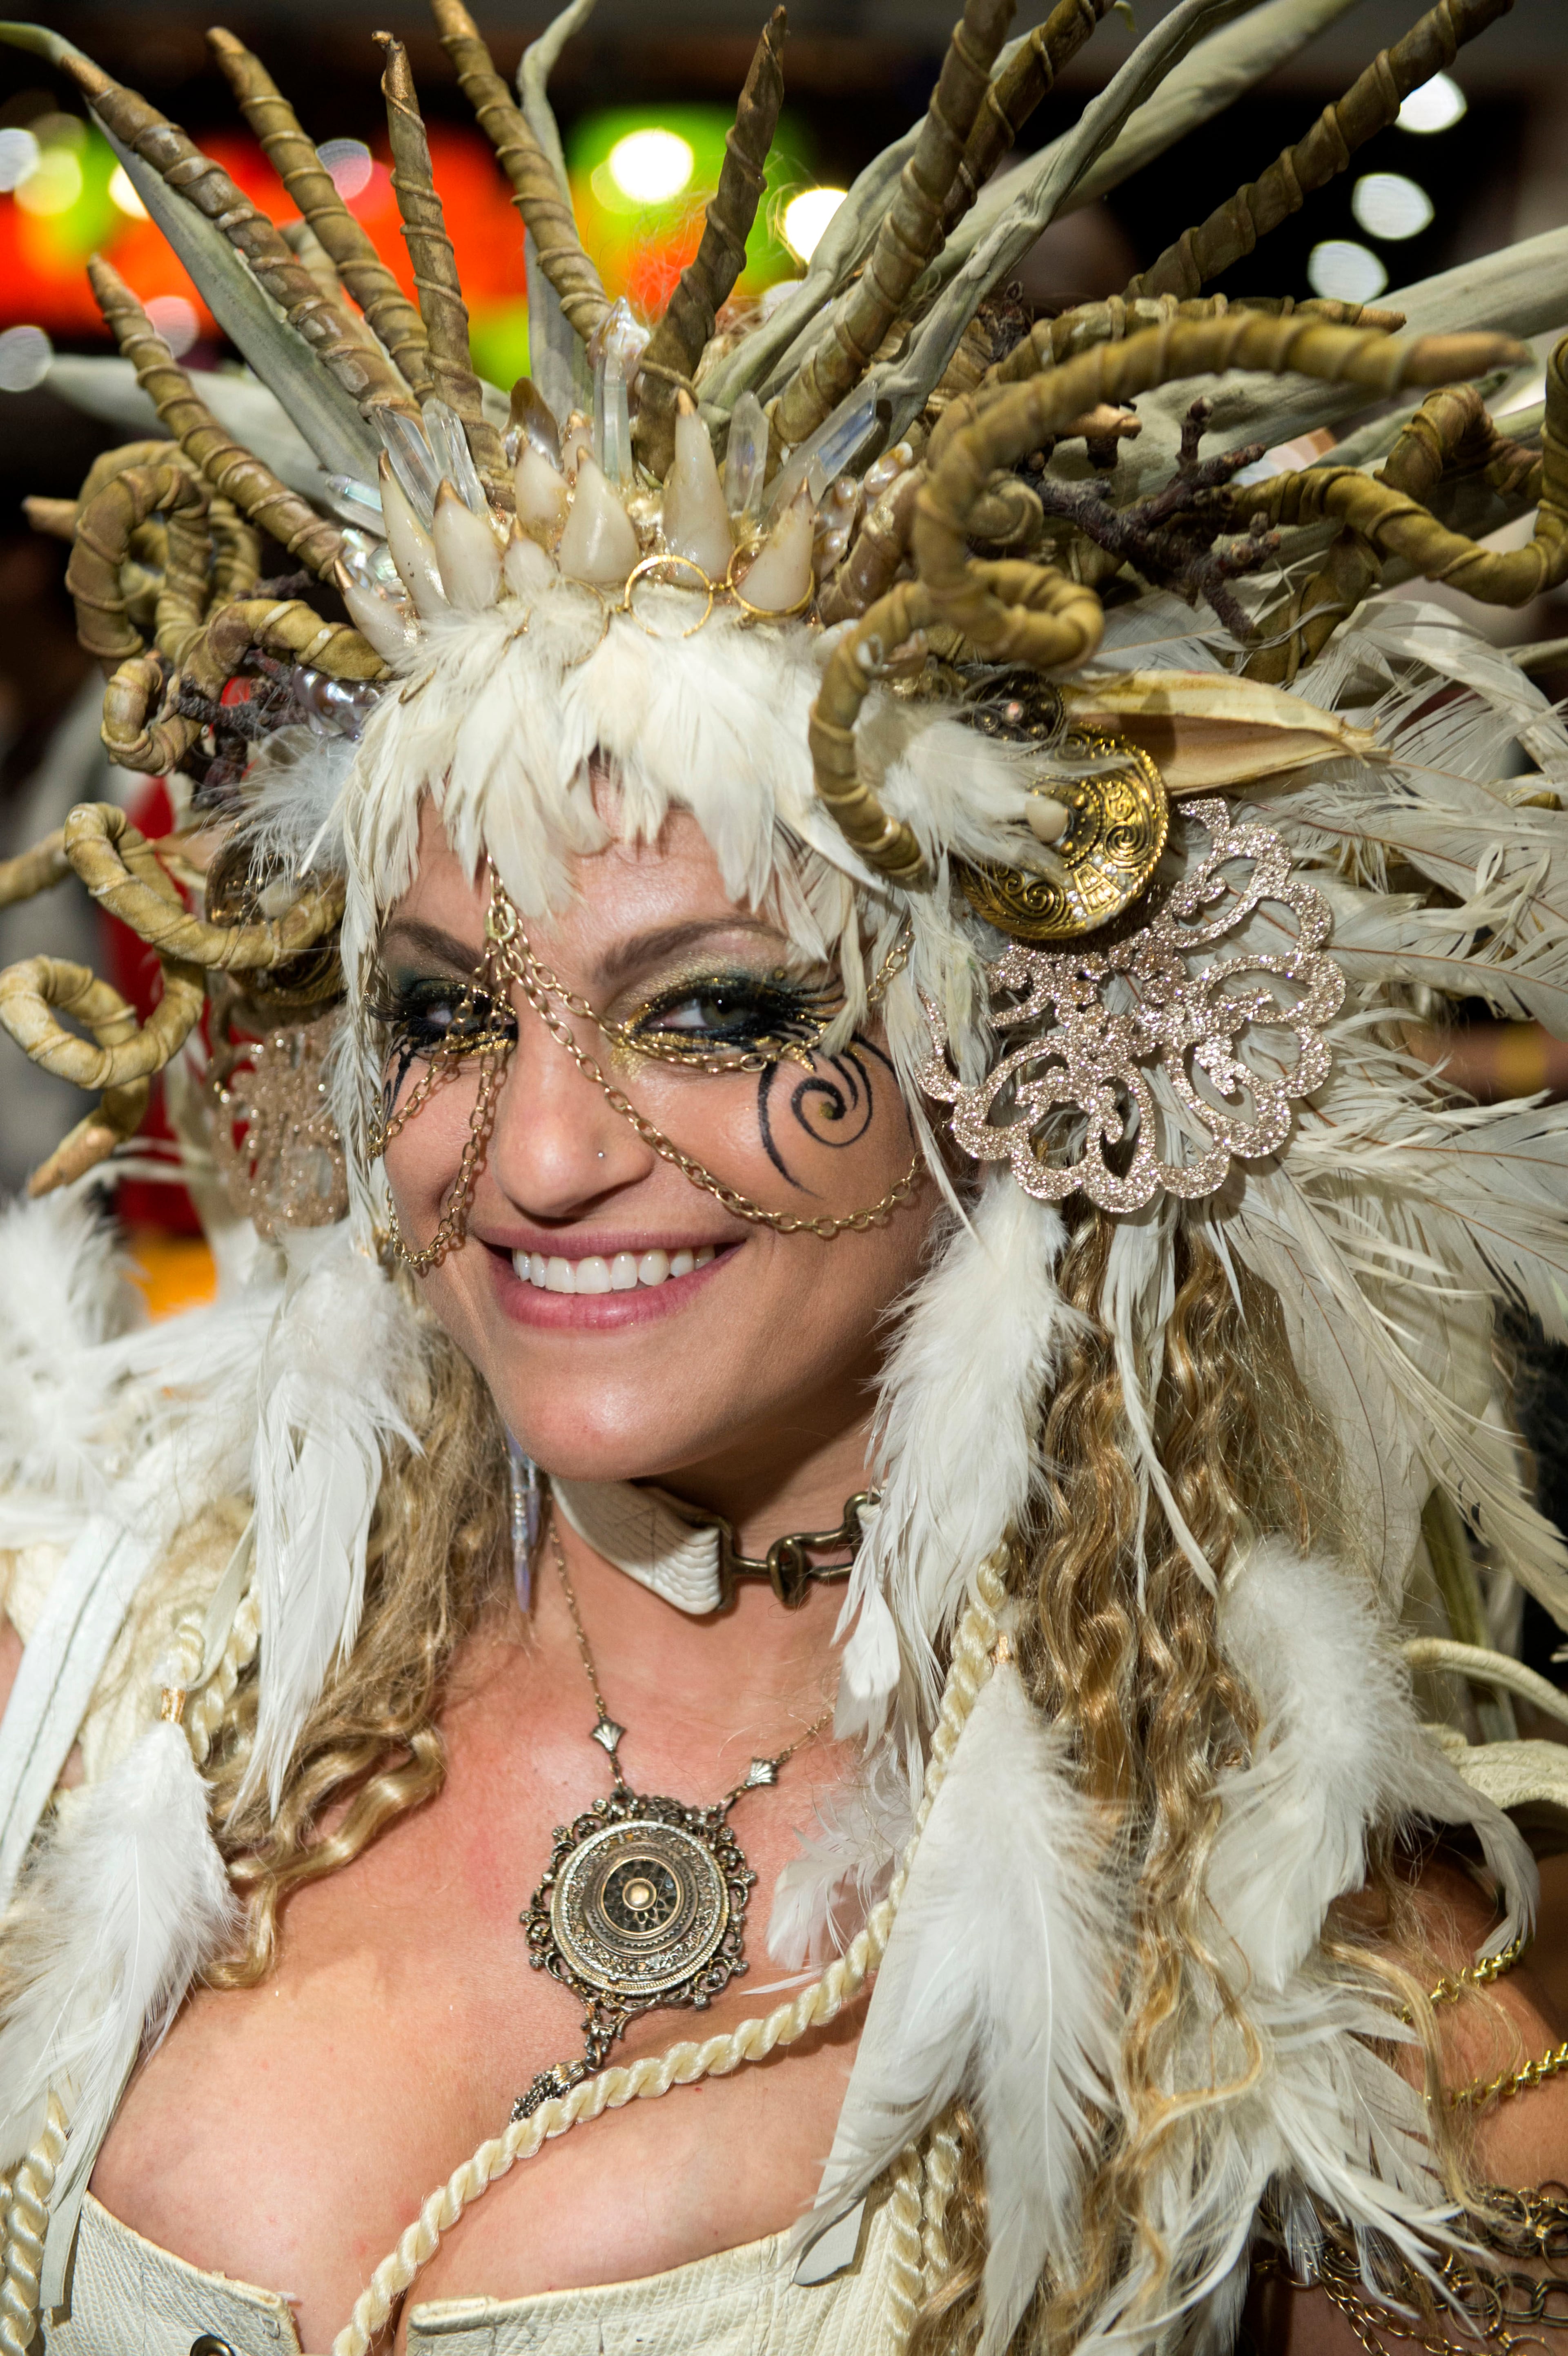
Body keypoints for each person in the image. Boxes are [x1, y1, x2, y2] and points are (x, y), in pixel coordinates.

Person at [2, 0, 1568, 2351]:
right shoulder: (80, 1693)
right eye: (437, 1010)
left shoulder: (1346, 1990)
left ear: (1020, 1046)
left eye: (723, 1012)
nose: (534, 1156)